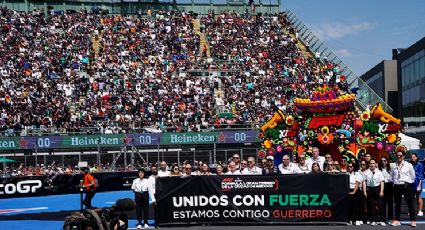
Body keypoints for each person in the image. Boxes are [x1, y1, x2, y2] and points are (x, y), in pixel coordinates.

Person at [390, 147, 416, 227]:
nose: (399, 157)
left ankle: (413, 220)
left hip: (406, 186)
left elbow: (413, 176)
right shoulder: (393, 165)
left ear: (403, 156)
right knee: (397, 204)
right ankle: (397, 220)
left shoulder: (408, 165)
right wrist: (394, 183)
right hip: (397, 186)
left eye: (400, 155)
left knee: (410, 203)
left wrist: (408, 183)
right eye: (397, 155)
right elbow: (392, 176)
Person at [362, 159, 385, 226]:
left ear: (375, 164)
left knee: (380, 205)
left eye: (373, 163)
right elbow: (364, 182)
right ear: (369, 164)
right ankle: (374, 220)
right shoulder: (366, 172)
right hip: (370, 189)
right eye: (371, 163)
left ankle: (382, 220)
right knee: (371, 205)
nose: (372, 164)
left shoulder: (379, 172)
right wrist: (364, 191)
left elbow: (382, 182)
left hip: (377, 188)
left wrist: (381, 191)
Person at [379, 156, 393, 223]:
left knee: (390, 203)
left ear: (387, 161)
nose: (383, 162)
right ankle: (383, 218)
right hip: (382, 185)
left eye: (384, 160)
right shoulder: (379, 169)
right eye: (382, 160)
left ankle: (390, 218)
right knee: (382, 203)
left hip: (389, 185)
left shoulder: (390, 168)